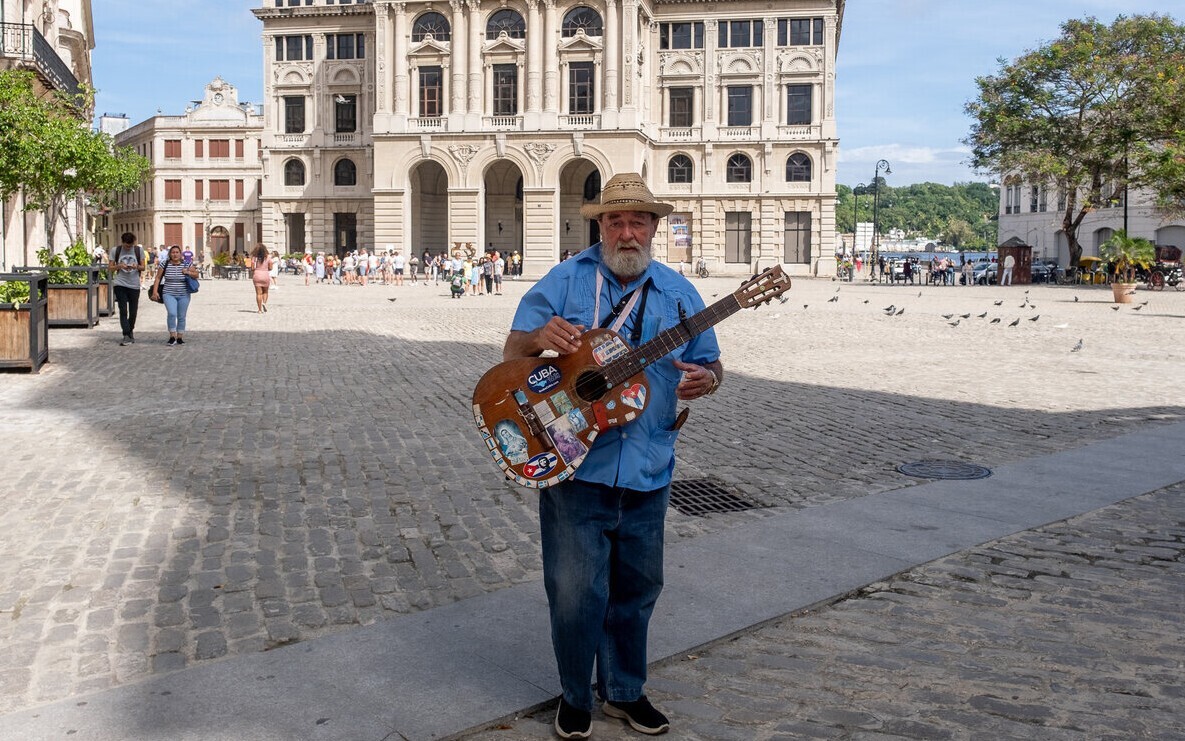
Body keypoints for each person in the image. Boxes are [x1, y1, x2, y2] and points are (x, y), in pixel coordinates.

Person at [502, 173, 723, 739]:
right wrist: (537, 339)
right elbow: (514, 350)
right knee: (576, 594)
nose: (627, 232)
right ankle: (576, 696)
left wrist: (708, 379)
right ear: (600, 225)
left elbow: (711, 363)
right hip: (578, 464)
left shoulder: (678, 293)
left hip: (650, 466)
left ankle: (625, 691)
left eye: (638, 221)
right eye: (615, 221)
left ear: (653, 226)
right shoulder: (566, 280)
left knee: (637, 589)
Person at [150, 245, 198, 345]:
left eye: (177, 252)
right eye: (173, 252)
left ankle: (180, 337)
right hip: (168, 293)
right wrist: (155, 291)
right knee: (172, 313)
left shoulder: (187, 263)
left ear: (180, 254)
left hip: (184, 294)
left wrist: (188, 272)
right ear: (169, 254)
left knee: (181, 316)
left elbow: (196, 274)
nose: (175, 254)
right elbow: (158, 278)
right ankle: (172, 336)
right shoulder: (164, 264)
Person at [108, 232, 144, 346]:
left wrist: (136, 266)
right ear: (122, 242)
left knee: (133, 311)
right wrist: (119, 266)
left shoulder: (138, 250)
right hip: (120, 284)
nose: (129, 248)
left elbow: (143, 267)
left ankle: (130, 331)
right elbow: (110, 268)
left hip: (134, 285)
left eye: (130, 246)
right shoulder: (115, 250)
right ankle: (126, 334)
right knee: (123, 310)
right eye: (126, 246)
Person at [250, 244, 272, 313]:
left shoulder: (254, 258)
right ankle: (264, 303)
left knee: (258, 293)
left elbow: (252, 268)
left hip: (257, 275)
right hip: (265, 275)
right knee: (265, 291)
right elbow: (270, 268)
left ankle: (259, 310)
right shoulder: (268, 257)